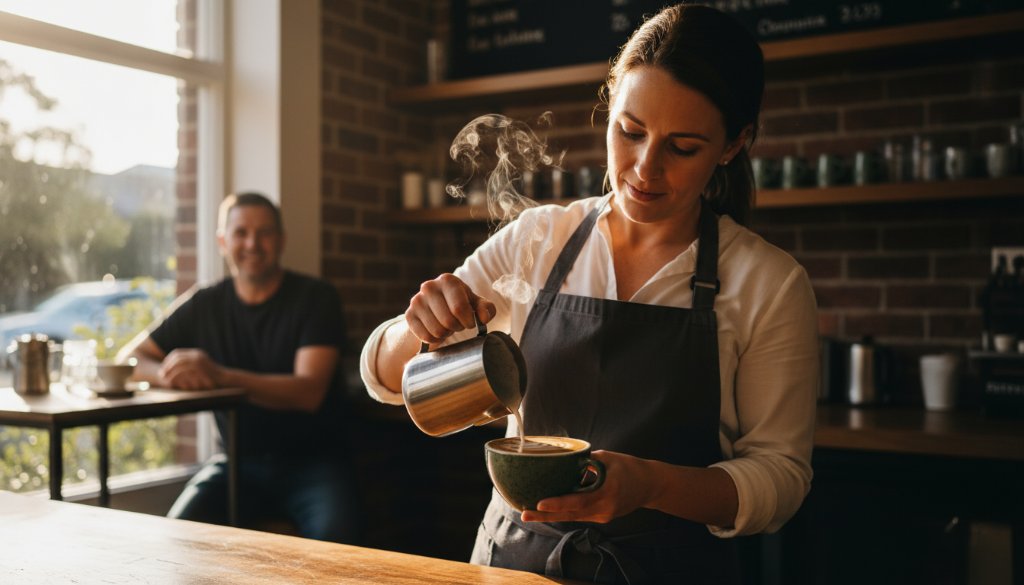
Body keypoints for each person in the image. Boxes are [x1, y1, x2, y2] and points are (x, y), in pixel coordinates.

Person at [360, 4, 818, 583]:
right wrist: (417, 328)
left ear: (733, 145)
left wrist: (654, 485)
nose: (644, 169)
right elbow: (380, 376)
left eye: (682, 148)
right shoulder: (538, 239)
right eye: (629, 132)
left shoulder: (768, 283)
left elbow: (780, 477)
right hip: (512, 564)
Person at [128, 192, 360, 544]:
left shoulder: (316, 298)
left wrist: (219, 375)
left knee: (338, 543)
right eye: (241, 233)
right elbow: (130, 361)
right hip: (236, 463)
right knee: (175, 538)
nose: (253, 243)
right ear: (223, 241)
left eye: (265, 233)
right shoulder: (204, 303)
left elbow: (308, 391)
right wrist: (168, 374)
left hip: (313, 464)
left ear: (281, 240)